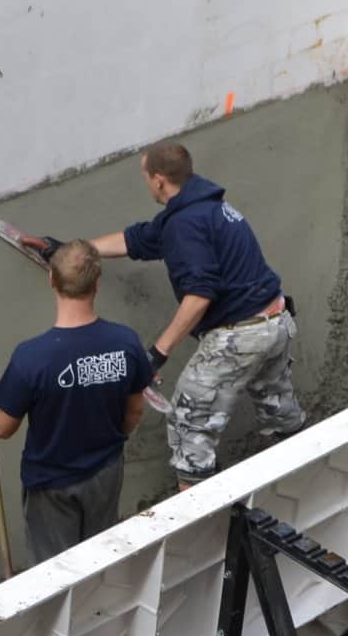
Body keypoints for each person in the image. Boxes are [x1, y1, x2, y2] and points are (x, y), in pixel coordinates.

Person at [26, 142, 303, 489]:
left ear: (159, 181)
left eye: (145, 176)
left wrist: (156, 354)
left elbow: (199, 296)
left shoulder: (185, 224)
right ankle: (308, 477)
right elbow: (136, 240)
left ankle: (202, 525)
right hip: (275, 322)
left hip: (242, 334)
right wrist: (71, 251)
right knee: (278, 408)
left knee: (189, 424)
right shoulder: (203, 206)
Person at [0, 240, 155, 565]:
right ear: (97, 283)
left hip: (51, 485)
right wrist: (110, 441)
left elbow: (1, 425)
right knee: (100, 557)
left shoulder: (33, 357)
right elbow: (135, 409)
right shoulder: (126, 342)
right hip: (106, 471)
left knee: (57, 571)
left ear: (51, 279)